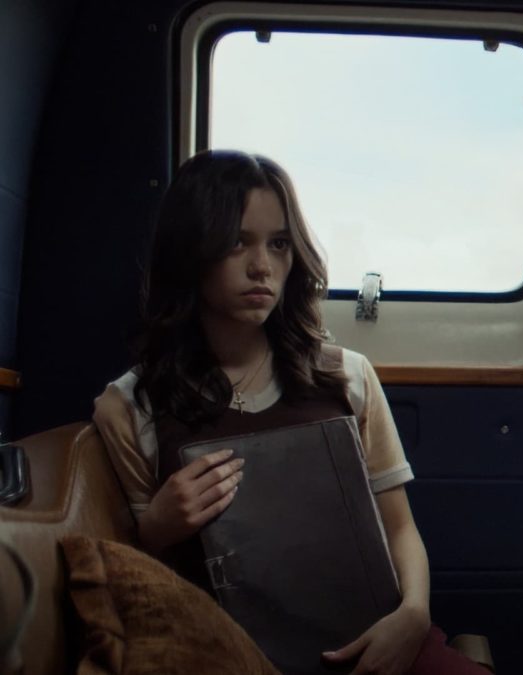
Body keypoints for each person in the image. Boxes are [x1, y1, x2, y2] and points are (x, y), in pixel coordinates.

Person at [92, 150, 488, 675]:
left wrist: (413, 617)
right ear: (191, 252)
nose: (262, 267)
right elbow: (141, 588)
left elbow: (399, 529)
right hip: (233, 653)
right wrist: (157, 528)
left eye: (279, 244)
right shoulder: (129, 405)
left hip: (380, 634)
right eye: (237, 242)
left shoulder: (348, 375)